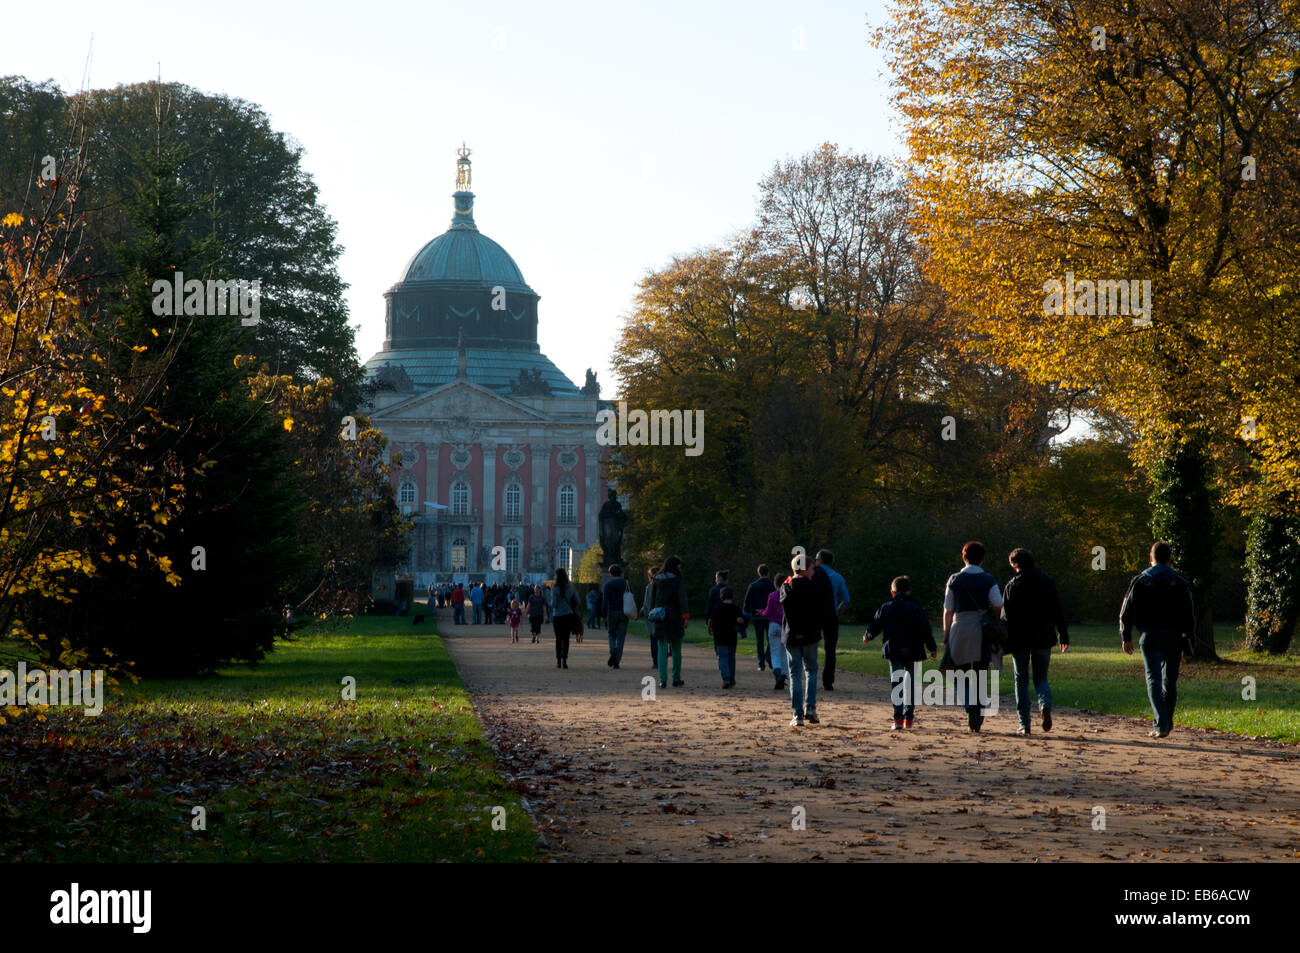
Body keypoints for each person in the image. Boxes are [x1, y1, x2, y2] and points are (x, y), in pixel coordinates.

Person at [1120, 541, 1196, 739]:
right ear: (1169, 559)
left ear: (1151, 558)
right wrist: (1189, 644)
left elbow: (1126, 612)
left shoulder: (1141, 581)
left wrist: (1126, 636)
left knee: (1153, 677)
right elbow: (1189, 616)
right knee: (1170, 681)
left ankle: (1161, 723)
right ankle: (1166, 721)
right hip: (1174, 636)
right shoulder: (1179, 582)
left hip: (1149, 635)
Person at [1002, 548, 1069, 735]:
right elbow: (1057, 610)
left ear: (1015, 564)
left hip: (1019, 639)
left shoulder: (1012, 585)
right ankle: (1044, 704)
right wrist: (1063, 634)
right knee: (1041, 678)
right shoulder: (1047, 582)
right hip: (1043, 636)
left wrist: (1003, 641)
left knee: (1020, 680)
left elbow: (1006, 617)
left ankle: (1024, 723)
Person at [943, 541, 1003, 733]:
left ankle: (970, 704)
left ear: (964, 557)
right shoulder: (988, 579)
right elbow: (998, 603)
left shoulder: (954, 579)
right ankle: (978, 708)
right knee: (980, 672)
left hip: (960, 628)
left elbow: (948, 610)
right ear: (982, 559)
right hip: (982, 630)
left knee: (957, 672)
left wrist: (946, 634)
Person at [864, 575, 936, 729]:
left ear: (892, 592)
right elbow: (925, 630)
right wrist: (932, 647)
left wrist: (868, 636)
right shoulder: (917, 608)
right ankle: (908, 718)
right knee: (910, 683)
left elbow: (876, 625)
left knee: (896, 682)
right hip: (914, 649)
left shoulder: (886, 607)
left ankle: (897, 718)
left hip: (894, 649)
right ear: (909, 592)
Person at [780, 558, 822, 727]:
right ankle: (810, 707)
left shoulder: (786, 587)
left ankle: (797, 714)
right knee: (811, 670)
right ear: (804, 570)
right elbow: (820, 609)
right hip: (810, 634)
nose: (813, 572)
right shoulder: (813, 587)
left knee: (795, 674)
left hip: (792, 634)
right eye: (811, 569)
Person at [648, 555, 689, 689]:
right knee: (676, 648)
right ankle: (676, 678)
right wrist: (685, 616)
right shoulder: (677, 579)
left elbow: (652, 599)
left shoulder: (657, 579)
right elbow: (682, 598)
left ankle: (663, 680)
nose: (680, 568)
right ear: (675, 566)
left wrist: (653, 612)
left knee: (662, 648)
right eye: (679, 565)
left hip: (660, 616)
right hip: (675, 617)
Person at [813, 550, 850, 691]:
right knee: (830, 649)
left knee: (812, 646)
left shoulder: (813, 574)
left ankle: (811, 675)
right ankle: (828, 680)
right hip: (830, 615)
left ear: (820, 560)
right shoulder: (838, 577)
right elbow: (846, 600)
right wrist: (837, 612)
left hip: (815, 615)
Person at [708, 586, 746, 688]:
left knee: (723, 658)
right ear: (732, 597)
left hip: (720, 637)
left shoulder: (718, 607)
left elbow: (711, 620)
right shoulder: (736, 608)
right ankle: (732, 679)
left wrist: (709, 629)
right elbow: (741, 620)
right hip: (732, 637)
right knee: (731, 659)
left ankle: (726, 678)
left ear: (721, 597)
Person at [743, 565, 776, 671]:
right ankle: (768, 654)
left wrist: (746, 616)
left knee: (759, 640)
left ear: (759, 573)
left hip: (757, 616)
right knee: (770, 638)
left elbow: (747, 602)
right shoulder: (772, 585)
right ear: (768, 573)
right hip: (769, 616)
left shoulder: (753, 585)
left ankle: (761, 664)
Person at [550, 568, 583, 669]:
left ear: (557, 576)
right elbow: (578, 602)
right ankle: (565, 660)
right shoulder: (571, 588)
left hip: (558, 616)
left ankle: (558, 661)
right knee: (566, 639)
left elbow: (553, 604)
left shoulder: (555, 589)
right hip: (568, 615)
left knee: (558, 639)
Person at [603, 565, 631, 669]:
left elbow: (605, 601)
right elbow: (631, 596)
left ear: (610, 573)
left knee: (611, 634)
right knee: (621, 637)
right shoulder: (626, 583)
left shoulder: (608, 585)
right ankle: (617, 660)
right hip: (624, 612)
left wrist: (603, 614)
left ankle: (613, 651)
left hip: (612, 612)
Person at [764, 584, 787, 690]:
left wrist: (761, 612)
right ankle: (783, 675)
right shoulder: (788, 594)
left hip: (774, 625)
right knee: (783, 653)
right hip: (784, 625)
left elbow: (768, 612)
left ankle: (777, 675)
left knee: (775, 653)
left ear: (775, 584)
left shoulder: (772, 595)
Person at [644, 567, 660, 668]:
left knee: (653, 639)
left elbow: (646, 603)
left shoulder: (649, 587)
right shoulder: (664, 586)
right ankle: (661, 659)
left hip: (651, 615)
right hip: (661, 614)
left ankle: (655, 661)